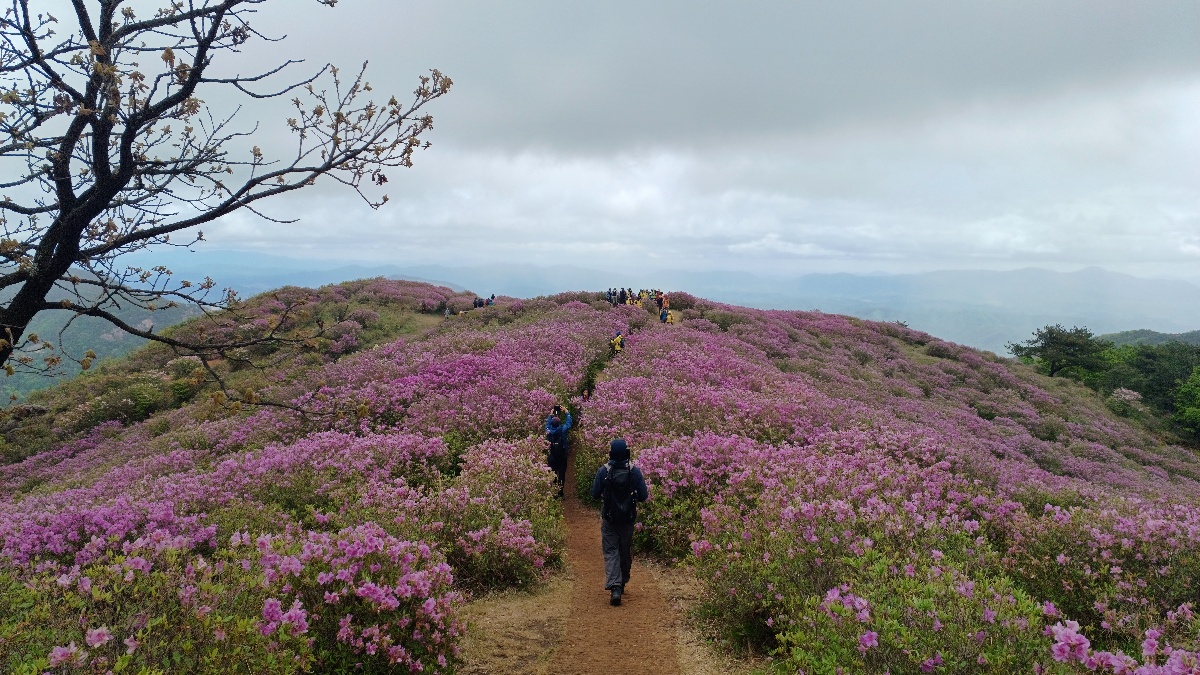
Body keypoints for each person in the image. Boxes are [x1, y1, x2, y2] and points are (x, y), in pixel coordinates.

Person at [590, 439, 648, 606]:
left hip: (609, 518)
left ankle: (615, 587)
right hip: (628, 519)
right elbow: (643, 496)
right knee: (624, 549)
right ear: (626, 452)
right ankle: (622, 581)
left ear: (611, 453)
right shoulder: (634, 471)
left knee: (611, 551)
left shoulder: (604, 471)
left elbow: (594, 494)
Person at [544, 406, 572, 499]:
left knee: (553, 473)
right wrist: (566, 412)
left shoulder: (548, 431)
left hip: (552, 454)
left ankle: (554, 493)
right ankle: (560, 493)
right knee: (562, 473)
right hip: (562, 455)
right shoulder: (563, 429)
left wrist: (550, 415)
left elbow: (547, 425)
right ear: (559, 423)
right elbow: (569, 423)